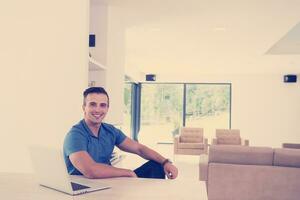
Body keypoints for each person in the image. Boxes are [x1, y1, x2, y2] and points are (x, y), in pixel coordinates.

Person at [63, 87, 178, 179]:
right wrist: (127, 173)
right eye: (92, 104)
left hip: (110, 183)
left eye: (102, 105)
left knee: (156, 166)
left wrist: (165, 162)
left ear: (107, 108)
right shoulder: (75, 135)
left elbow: (139, 149)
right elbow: (90, 170)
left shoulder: (110, 130)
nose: (98, 110)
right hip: (86, 188)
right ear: (84, 107)